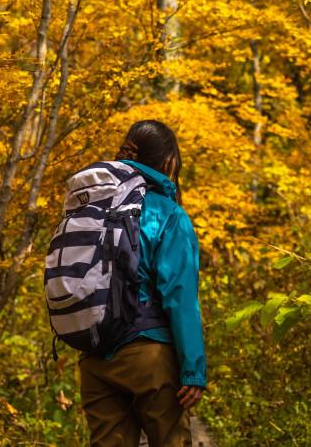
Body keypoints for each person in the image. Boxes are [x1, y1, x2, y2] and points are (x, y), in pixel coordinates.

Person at [78, 120, 207, 447]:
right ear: (167, 162)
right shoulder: (167, 214)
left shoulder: (92, 206)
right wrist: (193, 369)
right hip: (149, 356)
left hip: (94, 357)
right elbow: (180, 296)